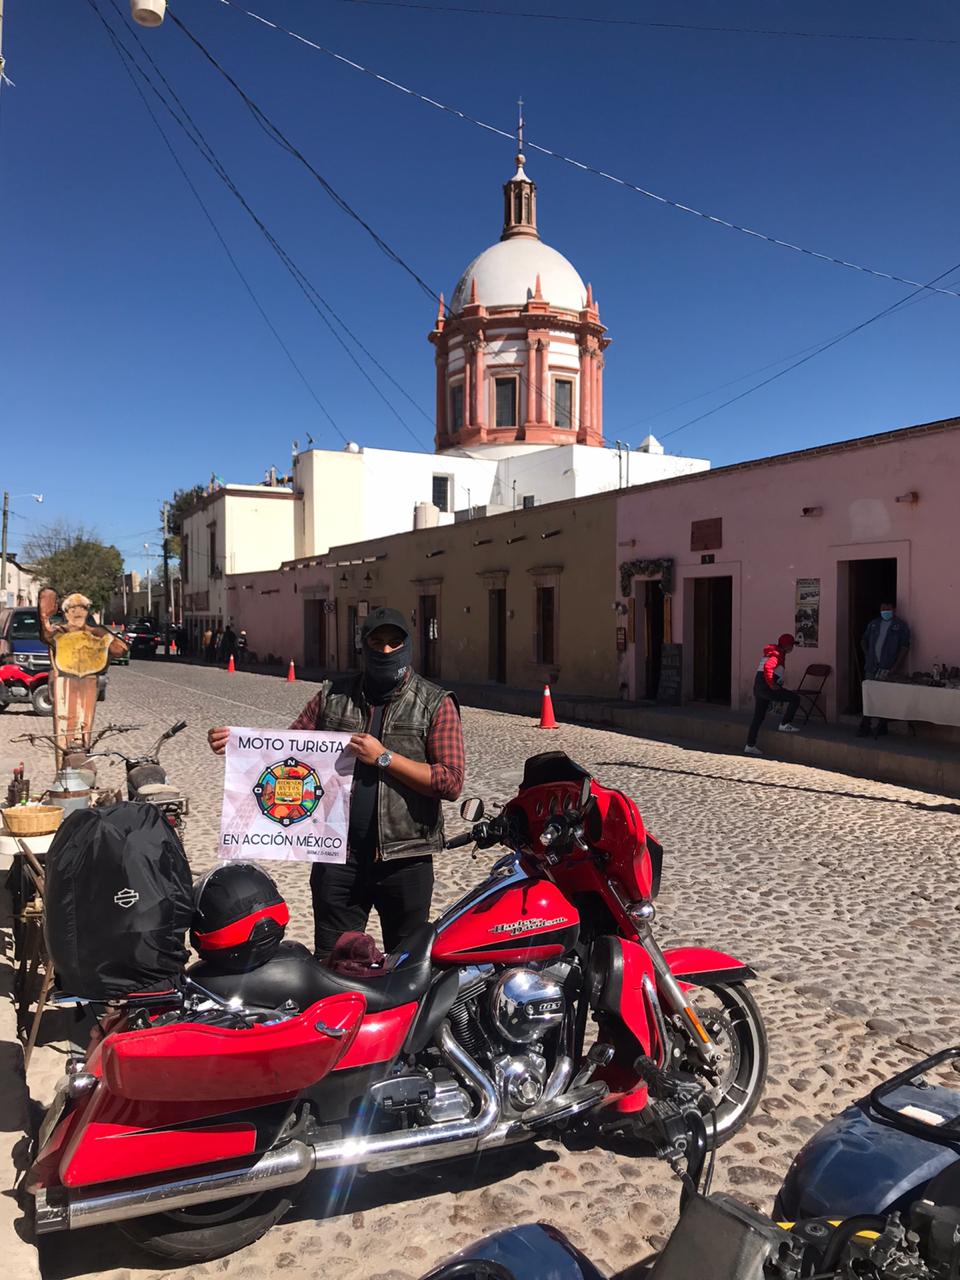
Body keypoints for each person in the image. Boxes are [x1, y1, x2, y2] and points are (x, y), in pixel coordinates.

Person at [207, 606, 464, 956]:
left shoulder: (435, 704)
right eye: (377, 642)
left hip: (405, 860)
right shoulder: (333, 697)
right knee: (331, 965)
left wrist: (384, 758)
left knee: (406, 969)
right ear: (364, 646)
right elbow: (288, 754)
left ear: (407, 646)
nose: (386, 651)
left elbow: (449, 781)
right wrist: (238, 746)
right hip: (337, 858)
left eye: (394, 643)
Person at [744, 632, 802, 757]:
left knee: (758, 717)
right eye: (791, 645)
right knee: (795, 698)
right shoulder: (776, 655)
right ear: (785, 645)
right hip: (767, 688)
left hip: (759, 688)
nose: (793, 648)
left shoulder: (772, 653)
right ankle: (785, 724)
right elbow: (768, 668)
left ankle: (750, 745)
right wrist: (771, 684)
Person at [858, 601, 910, 738]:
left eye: (888, 609)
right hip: (871, 666)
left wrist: (895, 666)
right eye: (883, 609)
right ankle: (865, 724)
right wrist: (867, 654)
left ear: (894, 609)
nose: (885, 611)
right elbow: (863, 640)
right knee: (869, 695)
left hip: (887, 667)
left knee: (883, 696)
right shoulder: (874, 624)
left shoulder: (900, 626)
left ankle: (882, 725)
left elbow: (904, 647)